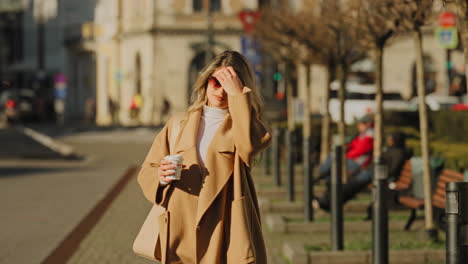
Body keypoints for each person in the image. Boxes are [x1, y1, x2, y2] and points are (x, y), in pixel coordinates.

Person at [137, 51, 271, 263]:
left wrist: (238, 98)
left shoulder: (244, 126)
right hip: (180, 231)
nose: (220, 90)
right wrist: (161, 178)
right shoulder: (179, 123)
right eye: (215, 82)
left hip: (223, 229)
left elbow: (250, 146)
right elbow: (148, 169)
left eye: (228, 85)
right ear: (206, 81)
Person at [314, 131, 410, 211]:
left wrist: (380, 176)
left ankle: (325, 202)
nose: (389, 141)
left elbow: (392, 170)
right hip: (370, 172)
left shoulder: (398, 153)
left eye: (390, 139)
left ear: (396, 140)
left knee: (351, 186)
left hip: (375, 175)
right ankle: (326, 201)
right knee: (349, 184)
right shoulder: (393, 150)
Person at [317, 114, 374, 183]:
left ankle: (321, 174)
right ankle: (326, 181)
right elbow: (352, 145)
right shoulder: (362, 135)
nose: (358, 126)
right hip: (352, 160)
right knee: (332, 159)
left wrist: (345, 155)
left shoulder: (369, 137)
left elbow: (359, 151)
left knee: (333, 162)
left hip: (357, 162)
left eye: (360, 124)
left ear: (367, 124)